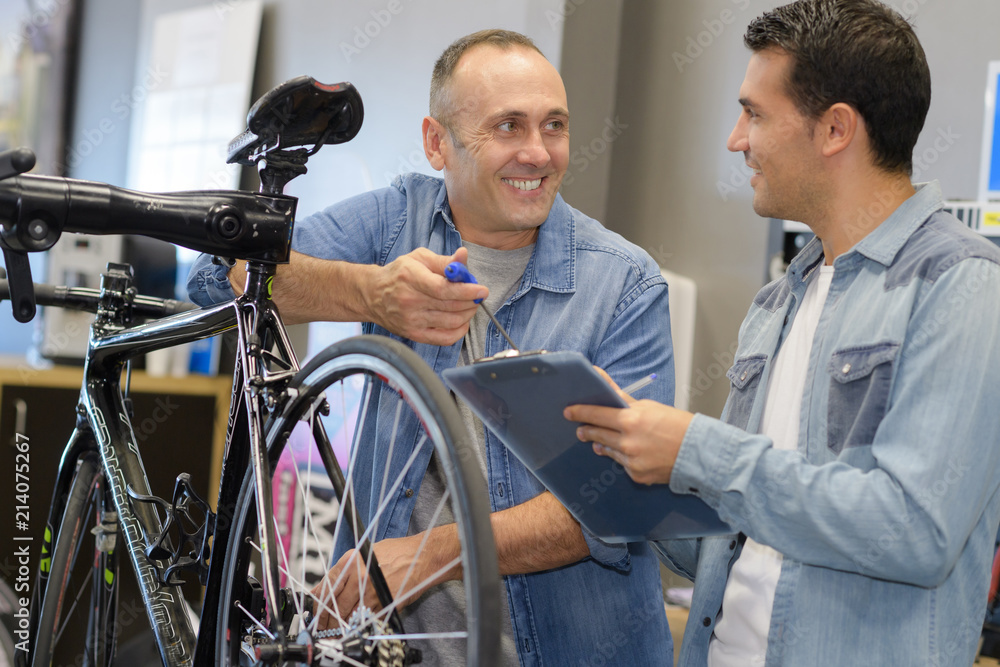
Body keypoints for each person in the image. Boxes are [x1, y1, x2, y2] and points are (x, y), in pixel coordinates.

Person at [189, 29, 675, 666]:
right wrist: (370, 293)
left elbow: (615, 504)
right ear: (436, 142)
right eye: (508, 126)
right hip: (390, 646)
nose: (538, 153)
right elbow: (214, 276)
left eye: (553, 125)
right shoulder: (398, 221)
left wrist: (429, 554)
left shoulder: (625, 283)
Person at [565, 1, 1000, 665]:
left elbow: (915, 530)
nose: (737, 139)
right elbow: (735, 529)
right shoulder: (778, 300)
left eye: (755, 113)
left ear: (834, 129)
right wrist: (615, 474)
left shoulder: (963, 284)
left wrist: (698, 448)